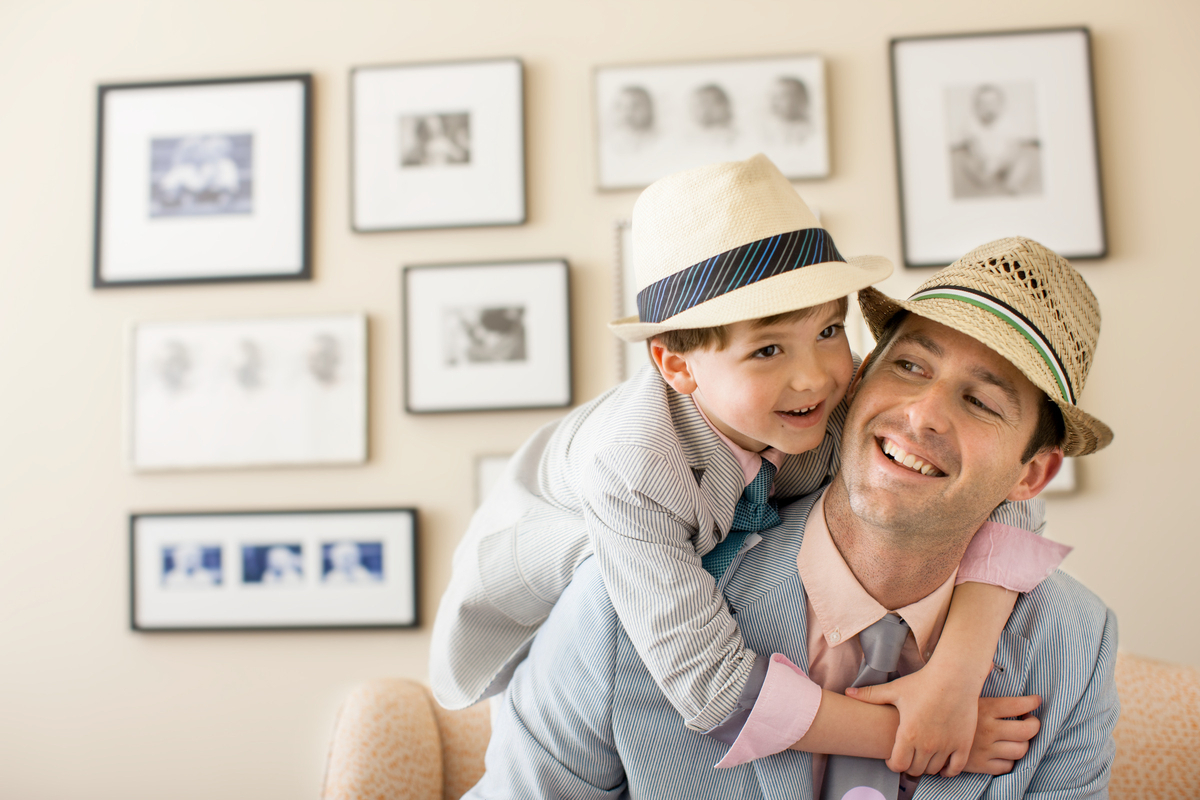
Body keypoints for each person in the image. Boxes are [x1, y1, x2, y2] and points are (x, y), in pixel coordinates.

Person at [430, 155, 1065, 773]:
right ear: (677, 367)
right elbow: (709, 687)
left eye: (828, 331)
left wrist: (955, 674)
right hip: (550, 605)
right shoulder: (629, 465)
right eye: (767, 349)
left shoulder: (819, 411)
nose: (814, 376)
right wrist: (913, 732)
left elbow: (1008, 493)